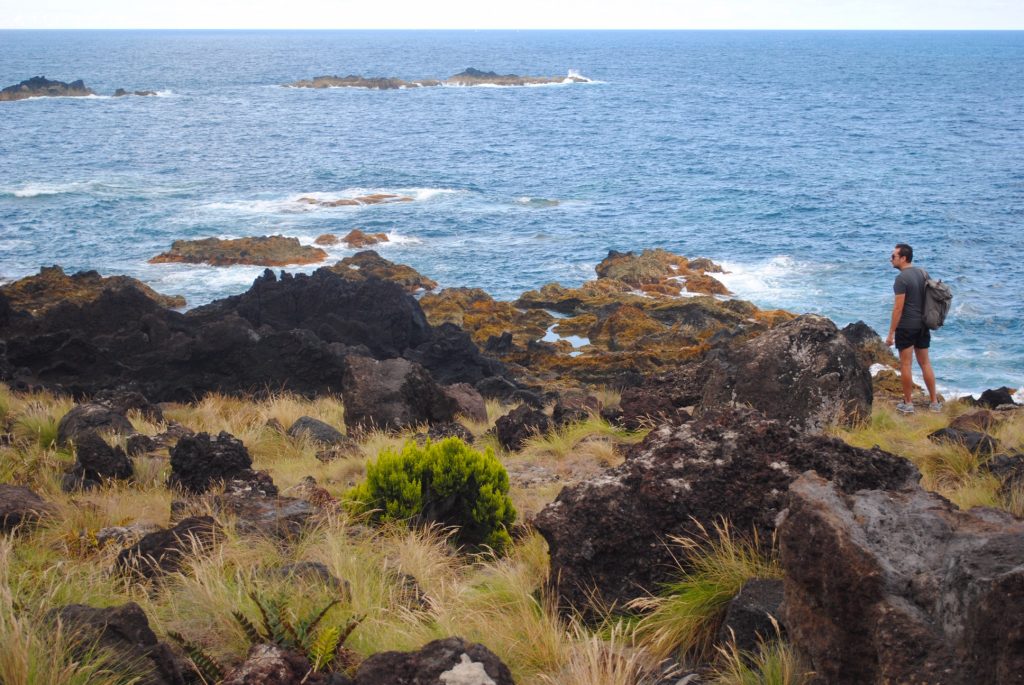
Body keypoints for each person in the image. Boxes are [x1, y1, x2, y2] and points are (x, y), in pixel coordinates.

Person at [885, 243, 941, 414]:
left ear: (903, 258)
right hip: (923, 325)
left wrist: (890, 334)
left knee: (906, 365)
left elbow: (898, 308)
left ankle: (908, 404)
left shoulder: (901, 279)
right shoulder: (923, 273)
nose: (891, 259)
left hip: (907, 326)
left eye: (893, 256)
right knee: (925, 363)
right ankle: (934, 402)